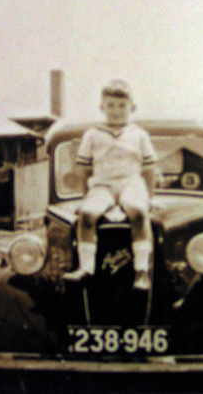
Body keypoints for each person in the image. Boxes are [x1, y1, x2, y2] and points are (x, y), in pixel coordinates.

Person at [64, 79, 162, 291]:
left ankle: (142, 271)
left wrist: (150, 198)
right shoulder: (92, 134)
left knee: (137, 211)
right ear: (102, 107)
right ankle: (86, 268)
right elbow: (85, 170)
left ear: (132, 108)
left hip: (131, 183)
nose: (116, 111)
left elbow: (148, 170)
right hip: (103, 185)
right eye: (110, 105)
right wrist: (84, 197)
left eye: (121, 105)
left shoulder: (139, 134)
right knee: (88, 215)